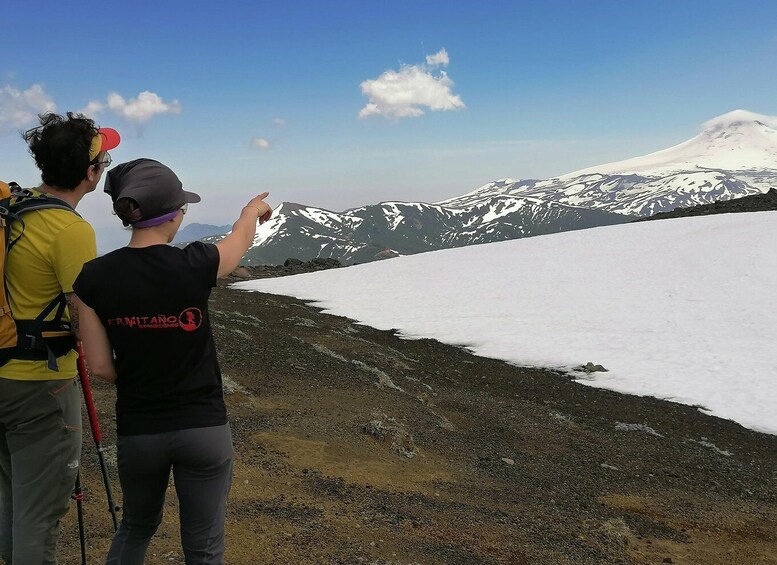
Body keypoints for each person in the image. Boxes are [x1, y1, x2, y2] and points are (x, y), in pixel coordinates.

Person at [73, 158, 272, 564]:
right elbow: (238, 241)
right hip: (204, 428)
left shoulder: (92, 278)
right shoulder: (195, 263)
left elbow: (99, 366)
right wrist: (251, 212)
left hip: (140, 430)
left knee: (136, 527)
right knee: (203, 546)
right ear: (175, 215)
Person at [0, 112, 120, 564]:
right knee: (39, 512)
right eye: (102, 158)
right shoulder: (71, 230)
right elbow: (84, 314)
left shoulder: (10, 205)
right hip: (41, 385)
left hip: (1, 370)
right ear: (91, 174)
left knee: (11, 498)